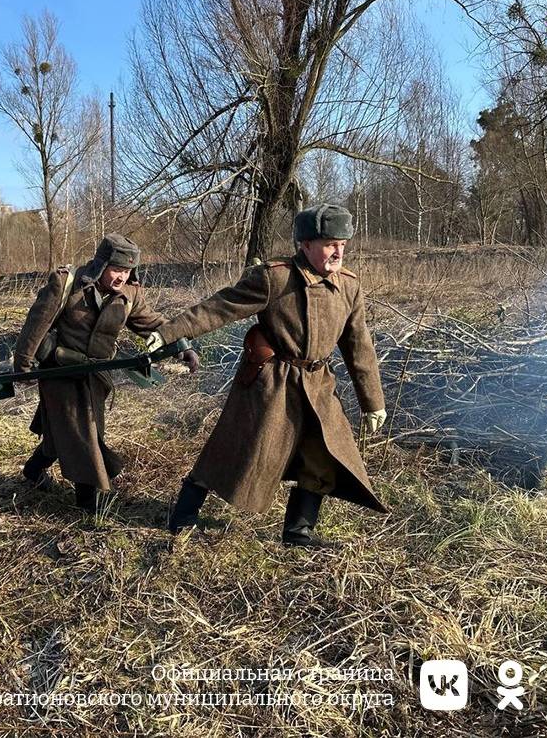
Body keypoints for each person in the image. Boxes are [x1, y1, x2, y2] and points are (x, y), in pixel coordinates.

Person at [147, 204, 387, 548]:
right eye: (329, 244)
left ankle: (298, 532)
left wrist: (372, 401)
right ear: (305, 244)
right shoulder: (274, 278)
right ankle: (183, 515)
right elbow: (218, 308)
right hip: (271, 385)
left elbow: (358, 345)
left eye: (342, 244)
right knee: (234, 450)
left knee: (322, 455)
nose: (338, 252)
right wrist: (169, 333)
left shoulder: (349, 287)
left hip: (319, 386)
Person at [13, 233, 200, 513]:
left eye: (126, 271)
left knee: (66, 432)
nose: (121, 277)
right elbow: (36, 325)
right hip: (60, 371)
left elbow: (153, 324)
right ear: (101, 265)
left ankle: (32, 470)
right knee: (83, 435)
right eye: (116, 270)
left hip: (96, 377)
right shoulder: (66, 284)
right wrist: (23, 365)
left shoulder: (130, 294)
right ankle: (89, 507)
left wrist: (181, 345)